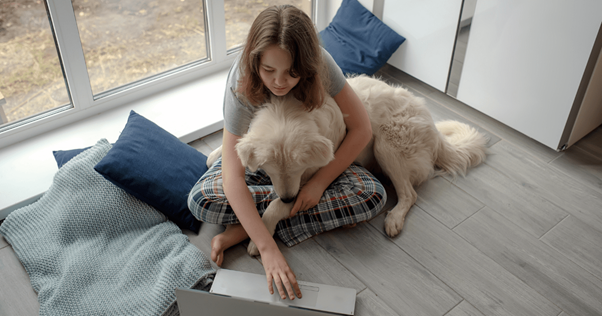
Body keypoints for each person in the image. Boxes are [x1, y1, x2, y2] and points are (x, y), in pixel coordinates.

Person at [188, 5, 385, 301]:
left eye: (292, 73)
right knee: (200, 200)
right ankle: (262, 225)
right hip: (263, 155)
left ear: (306, 66)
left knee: (371, 195)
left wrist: (318, 183)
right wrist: (268, 250)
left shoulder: (320, 63)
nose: (279, 82)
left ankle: (248, 226)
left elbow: (362, 130)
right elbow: (233, 177)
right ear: (255, 63)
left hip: (313, 155)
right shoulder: (240, 83)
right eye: (268, 70)